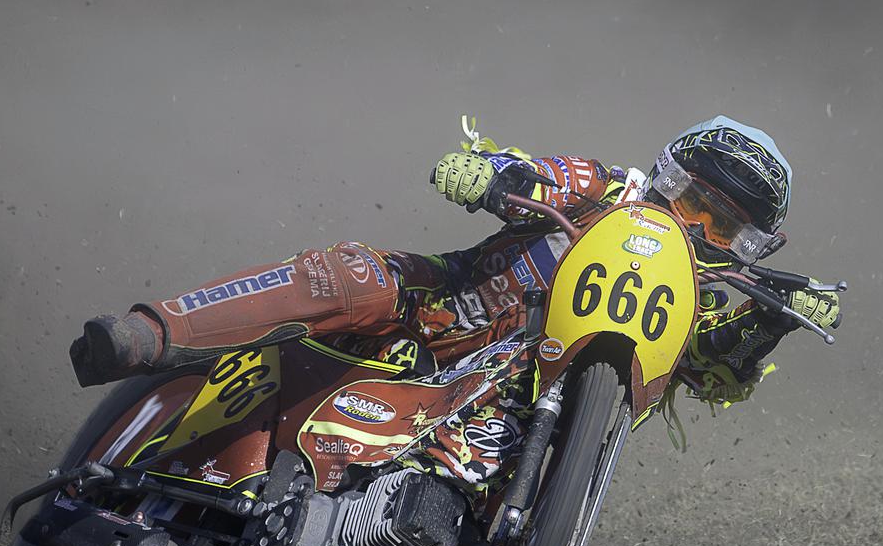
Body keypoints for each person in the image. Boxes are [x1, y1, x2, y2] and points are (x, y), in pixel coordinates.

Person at [68, 116, 840, 491]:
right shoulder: (613, 190)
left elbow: (712, 374)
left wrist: (772, 323)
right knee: (354, 273)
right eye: (696, 202)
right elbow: (538, 172)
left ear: (748, 247)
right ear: (669, 178)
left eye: (725, 227)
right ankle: (148, 335)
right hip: (431, 307)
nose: (699, 228)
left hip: (500, 404)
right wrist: (489, 172)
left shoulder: (713, 295)